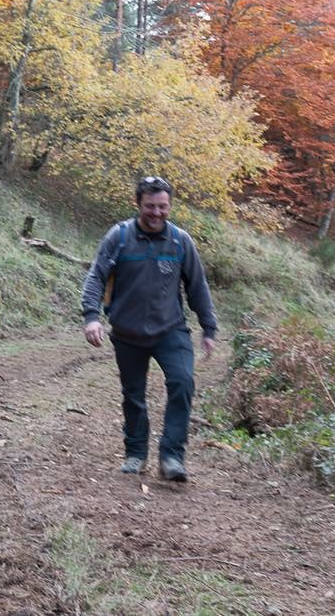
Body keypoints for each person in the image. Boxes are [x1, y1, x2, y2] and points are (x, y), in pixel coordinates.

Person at [80, 175, 218, 482]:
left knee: (182, 382)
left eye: (162, 206)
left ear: (170, 205)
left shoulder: (181, 241)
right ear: (138, 204)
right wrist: (92, 316)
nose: (156, 213)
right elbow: (96, 277)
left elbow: (197, 285)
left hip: (171, 330)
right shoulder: (119, 237)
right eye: (150, 206)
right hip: (127, 333)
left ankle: (171, 456)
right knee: (134, 395)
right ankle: (136, 453)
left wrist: (208, 327)